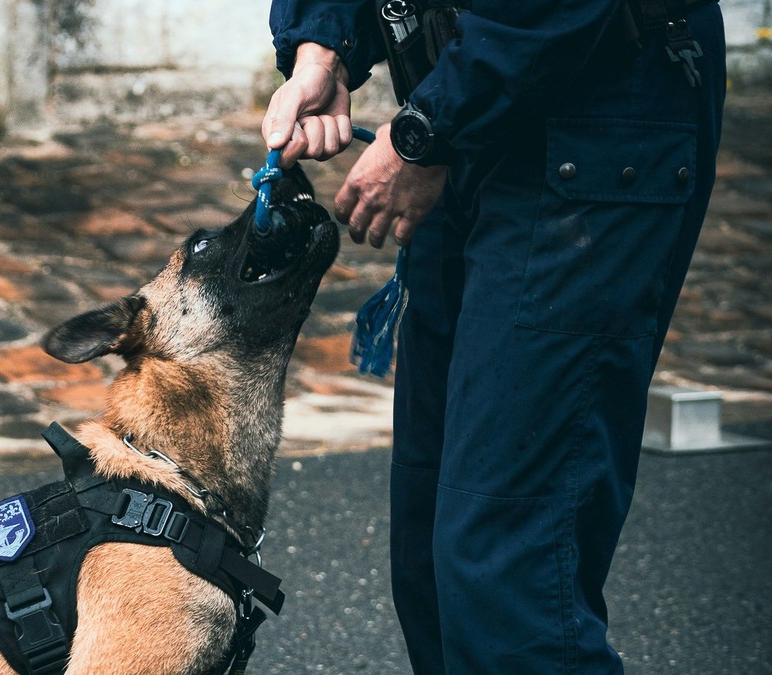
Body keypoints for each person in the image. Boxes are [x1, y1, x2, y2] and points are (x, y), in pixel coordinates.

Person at [262, 0, 725, 672]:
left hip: (595, 98)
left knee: (508, 565)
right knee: (431, 557)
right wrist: (321, 49)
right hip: (467, 83)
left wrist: (427, 132)